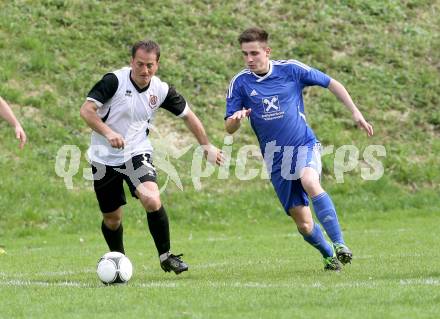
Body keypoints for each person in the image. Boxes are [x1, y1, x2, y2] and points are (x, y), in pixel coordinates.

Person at [225, 27, 373, 271]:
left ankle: (340, 244)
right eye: (245, 54)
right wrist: (236, 119)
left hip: (303, 145)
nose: (249, 59)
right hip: (276, 159)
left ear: (267, 51)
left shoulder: (290, 69)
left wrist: (356, 113)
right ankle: (328, 254)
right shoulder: (240, 83)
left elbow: (332, 83)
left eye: (254, 53)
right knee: (304, 225)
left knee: (310, 181)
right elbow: (228, 128)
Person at [80, 40, 223, 275]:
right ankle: (119, 259)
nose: (144, 71)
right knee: (112, 219)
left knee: (152, 199)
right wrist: (108, 132)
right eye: (140, 64)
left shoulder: (161, 89)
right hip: (103, 158)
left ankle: (166, 256)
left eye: (150, 65)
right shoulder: (113, 81)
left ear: (157, 64)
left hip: (137, 152)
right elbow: (86, 110)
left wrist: (206, 145)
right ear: (131, 62)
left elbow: (188, 116)